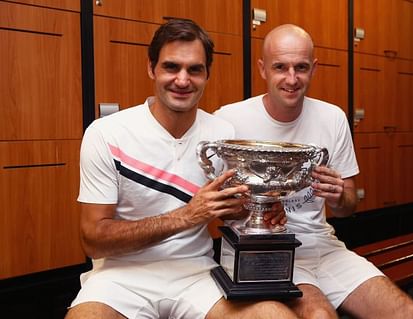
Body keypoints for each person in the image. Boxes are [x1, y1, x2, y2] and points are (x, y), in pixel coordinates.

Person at [65, 18, 299, 319]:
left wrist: (257, 211)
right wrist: (187, 216)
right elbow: (93, 240)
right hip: (120, 277)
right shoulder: (107, 133)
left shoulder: (222, 135)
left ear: (207, 75)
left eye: (195, 69)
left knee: (275, 316)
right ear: (152, 68)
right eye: (171, 67)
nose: (183, 80)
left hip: (196, 275)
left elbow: (231, 211)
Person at [215, 24, 413, 319]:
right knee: (320, 316)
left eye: (300, 67)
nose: (291, 78)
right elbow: (218, 210)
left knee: (407, 313)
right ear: (262, 69)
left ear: (313, 69)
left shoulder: (332, 117)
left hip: (322, 245)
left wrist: (339, 196)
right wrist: (252, 208)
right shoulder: (230, 121)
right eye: (280, 67)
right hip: (264, 248)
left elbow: (348, 208)